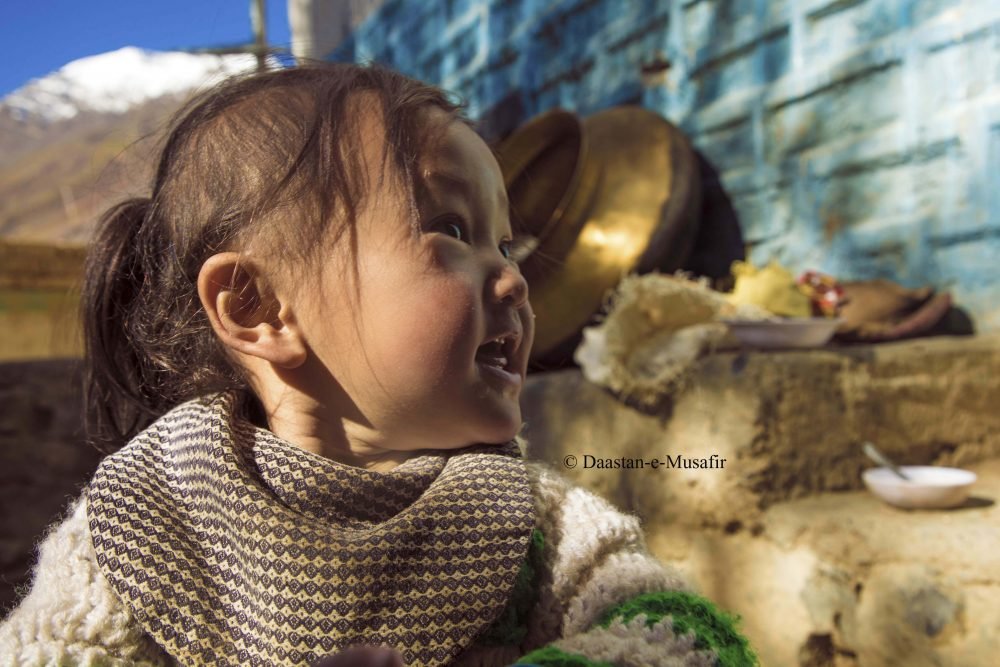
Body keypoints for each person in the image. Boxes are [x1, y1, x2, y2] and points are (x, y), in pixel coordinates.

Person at [0, 62, 758, 667]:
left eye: (506, 244)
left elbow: (687, 636)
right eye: (452, 229)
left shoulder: (535, 521)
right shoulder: (148, 523)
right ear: (257, 306)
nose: (514, 278)